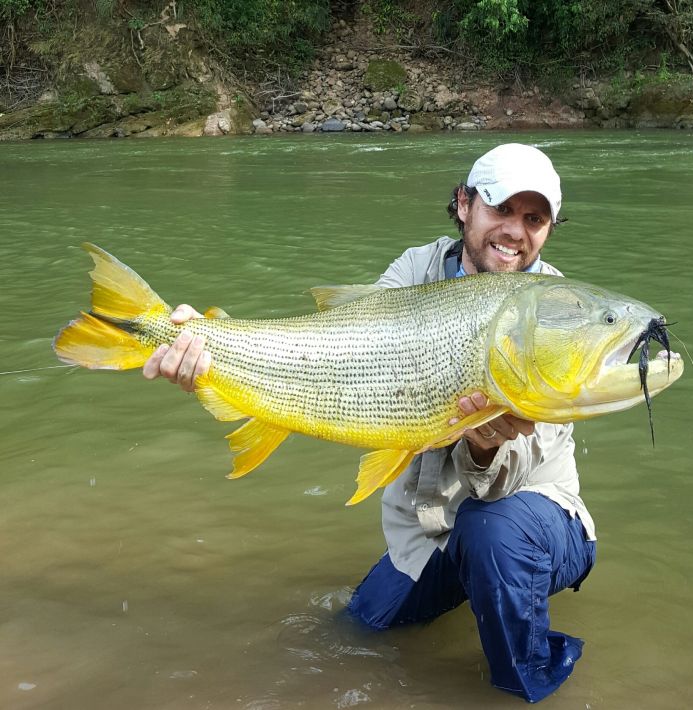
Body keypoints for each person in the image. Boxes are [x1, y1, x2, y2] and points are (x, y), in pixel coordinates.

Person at [142, 143, 596, 704]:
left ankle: (527, 684)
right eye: (502, 209)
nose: (514, 232)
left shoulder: (558, 312)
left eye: (534, 219)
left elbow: (503, 483)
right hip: (431, 533)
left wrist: (481, 450)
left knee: (491, 532)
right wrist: (210, 347)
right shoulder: (414, 271)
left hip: (534, 521)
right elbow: (341, 353)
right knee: (356, 636)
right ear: (463, 205)